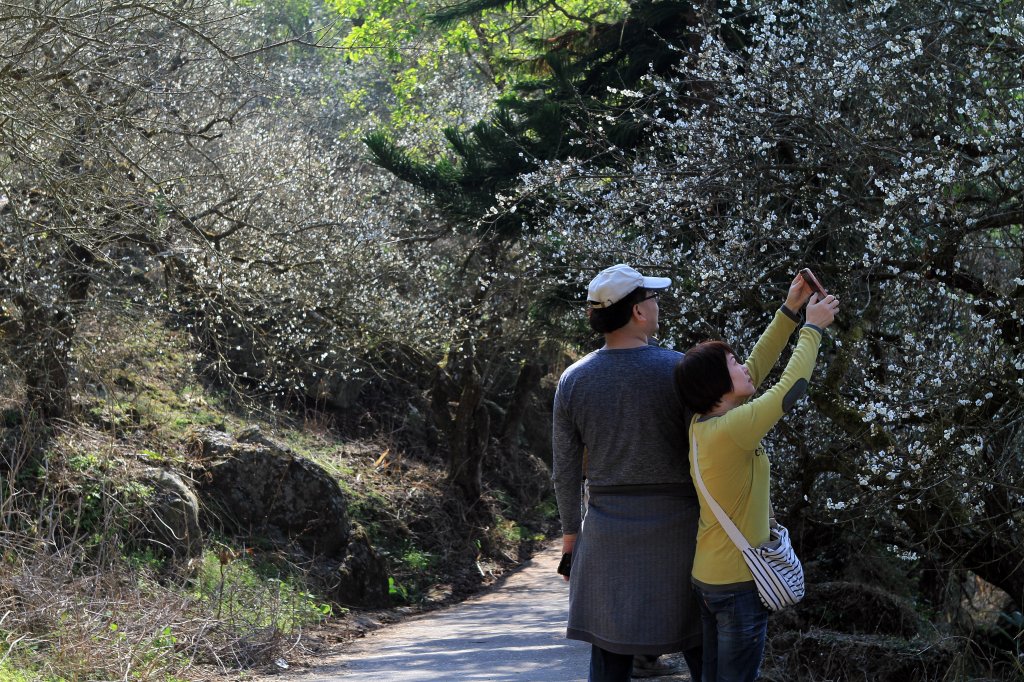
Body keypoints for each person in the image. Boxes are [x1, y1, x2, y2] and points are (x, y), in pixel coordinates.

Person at [673, 273, 839, 682]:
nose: (743, 366)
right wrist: (813, 328)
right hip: (739, 587)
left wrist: (789, 310)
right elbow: (790, 389)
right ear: (717, 384)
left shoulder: (708, 422)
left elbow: (758, 368)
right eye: (732, 363)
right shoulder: (732, 430)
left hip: (710, 578)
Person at [552, 263, 702, 682]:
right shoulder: (678, 369)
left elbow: (564, 471)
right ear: (637, 311)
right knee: (700, 648)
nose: (657, 304)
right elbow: (706, 451)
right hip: (682, 528)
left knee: (609, 655)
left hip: (607, 526)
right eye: (652, 298)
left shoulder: (574, 379)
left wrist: (570, 540)